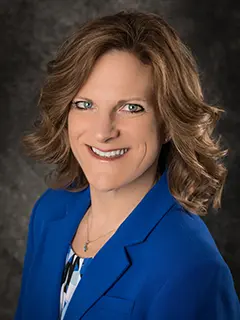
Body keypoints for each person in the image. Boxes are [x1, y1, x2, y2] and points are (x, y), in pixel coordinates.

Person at [14, 9, 240, 320]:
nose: (103, 131)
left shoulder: (192, 268)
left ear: (169, 123)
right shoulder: (50, 211)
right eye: (85, 104)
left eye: (131, 108)